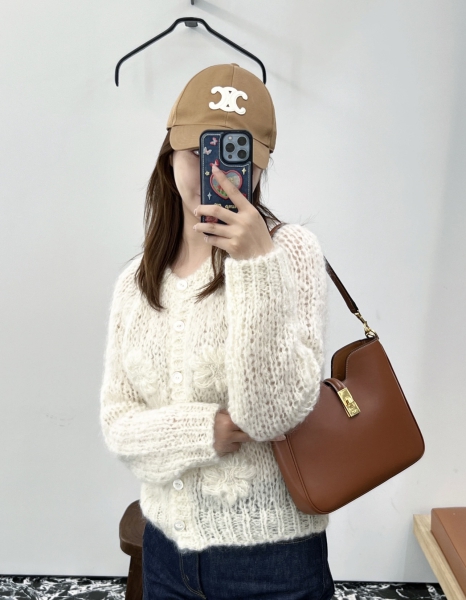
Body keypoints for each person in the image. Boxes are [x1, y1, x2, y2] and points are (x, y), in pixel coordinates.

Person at [99, 63, 334, 600]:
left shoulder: (291, 253)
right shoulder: (137, 281)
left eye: (235, 157)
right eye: (198, 152)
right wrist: (204, 432)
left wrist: (255, 264)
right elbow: (118, 424)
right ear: (169, 154)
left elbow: (271, 415)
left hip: (273, 561)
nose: (216, 173)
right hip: (165, 554)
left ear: (259, 164)